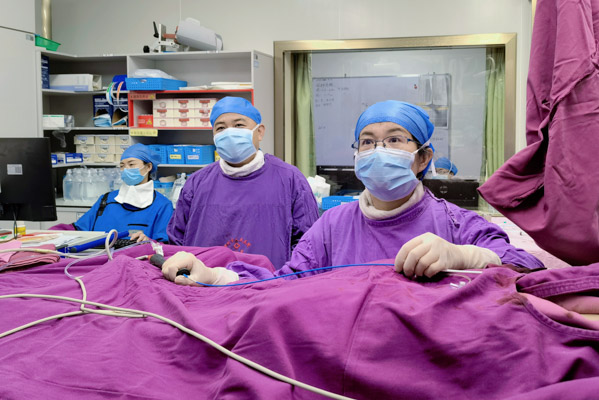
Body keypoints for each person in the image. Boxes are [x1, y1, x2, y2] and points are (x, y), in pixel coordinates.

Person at [162, 100, 544, 286]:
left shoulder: (455, 222)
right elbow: (282, 284)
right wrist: (215, 277)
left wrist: (464, 255)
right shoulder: (332, 227)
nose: (379, 150)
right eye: (367, 141)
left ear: (423, 157)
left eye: (394, 140)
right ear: (357, 156)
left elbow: (529, 270)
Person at [167, 96, 319, 269]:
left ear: (259, 132)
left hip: (268, 282)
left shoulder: (289, 179)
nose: (230, 133)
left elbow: (309, 244)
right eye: (221, 128)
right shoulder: (197, 183)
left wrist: (284, 277)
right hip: (204, 282)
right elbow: (177, 242)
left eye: (239, 125)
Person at [63, 143, 173, 242]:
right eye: (122, 166)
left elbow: (164, 246)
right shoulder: (106, 200)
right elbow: (79, 228)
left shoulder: (162, 205)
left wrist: (148, 241)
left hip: (138, 257)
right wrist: (55, 232)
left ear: (148, 167)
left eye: (131, 164)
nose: (126, 169)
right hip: (99, 255)